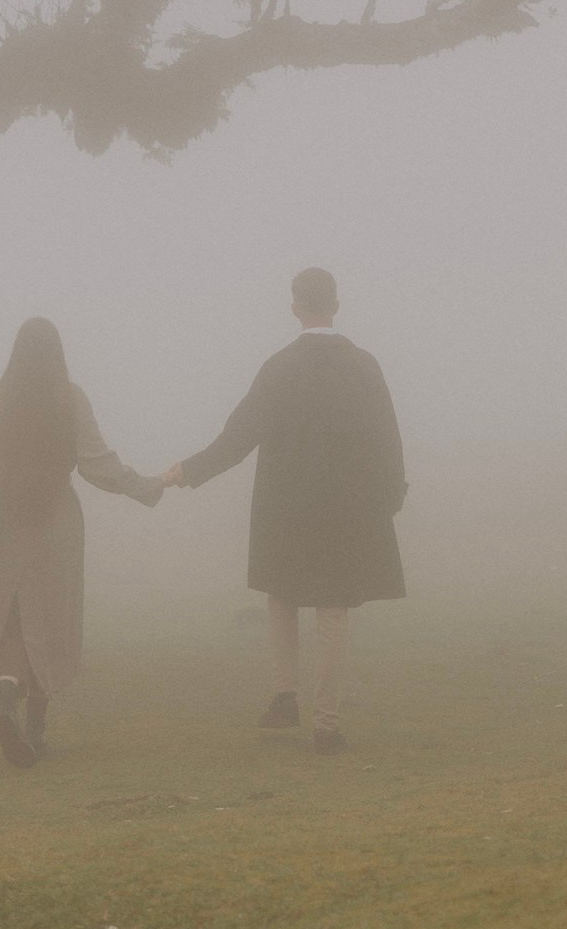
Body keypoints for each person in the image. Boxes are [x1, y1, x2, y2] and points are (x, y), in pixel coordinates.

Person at [164, 267, 404, 753]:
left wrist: (189, 470)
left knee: (282, 596)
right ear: (336, 305)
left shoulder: (279, 367)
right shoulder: (364, 366)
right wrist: (390, 498)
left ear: (295, 308)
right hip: (345, 509)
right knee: (333, 612)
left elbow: (239, 435)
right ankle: (326, 725)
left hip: (284, 507)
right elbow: (387, 438)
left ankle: (284, 696)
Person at [0, 316, 165, 768]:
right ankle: (36, 729)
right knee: (49, 623)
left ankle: (6, 703)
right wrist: (146, 486)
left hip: (8, 524)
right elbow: (97, 464)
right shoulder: (69, 398)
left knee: (12, 621)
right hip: (56, 525)